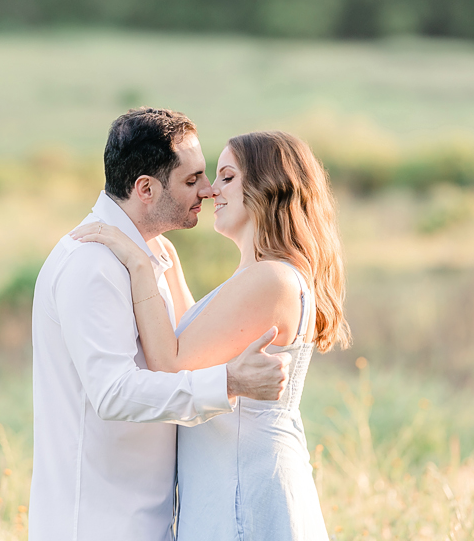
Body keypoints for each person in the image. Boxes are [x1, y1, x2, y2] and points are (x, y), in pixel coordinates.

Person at [72, 130, 351, 540]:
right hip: (231, 480)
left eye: (226, 177)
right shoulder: (258, 275)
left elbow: (171, 362)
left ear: (266, 187)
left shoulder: (270, 278)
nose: (209, 190)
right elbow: (192, 341)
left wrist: (138, 264)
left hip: (244, 488)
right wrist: (163, 259)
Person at [28, 108, 291, 541]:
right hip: (99, 521)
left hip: (150, 516)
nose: (207, 191)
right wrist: (229, 382)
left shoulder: (158, 256)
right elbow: (113, 393)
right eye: (191, 180)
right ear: (145, 188)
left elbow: (181, 350)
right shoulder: (93, 264)